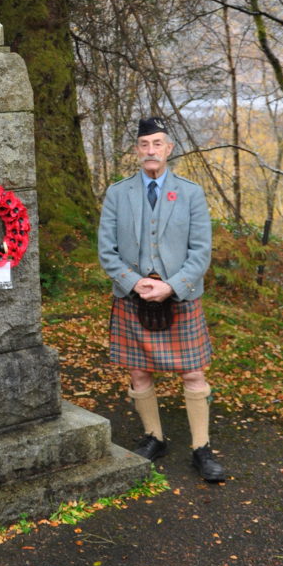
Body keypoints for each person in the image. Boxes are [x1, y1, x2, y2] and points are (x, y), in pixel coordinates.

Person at [97, 116, 225, 482]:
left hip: (179, 295)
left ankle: (201, 448)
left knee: (194, 372)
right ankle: (154, 438)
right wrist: (134, 282)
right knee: (138, 371)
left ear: (169, 148)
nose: (150, 151)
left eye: (157, 144)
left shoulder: (190, 193)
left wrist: (172, 286)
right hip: (132, 295)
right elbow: (107, 251)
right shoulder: (118, 193)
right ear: (137, 150)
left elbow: (201, 252)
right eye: (144, 145)